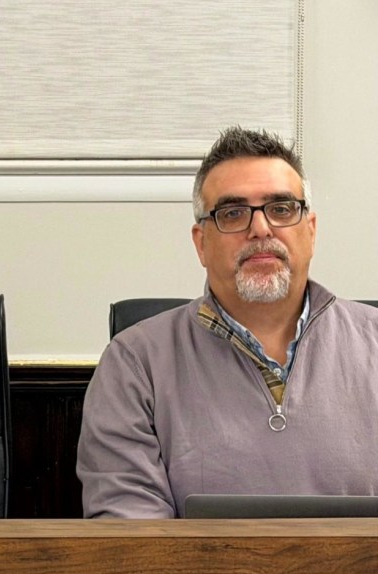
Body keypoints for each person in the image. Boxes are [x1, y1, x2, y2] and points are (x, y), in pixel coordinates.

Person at [77, 127, 378, 518]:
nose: (261, 229)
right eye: (233, 213)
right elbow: (131, 532)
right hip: (193, 565)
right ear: (201, 243)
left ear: (311, 231)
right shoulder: (135, 363)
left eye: (281, 209)